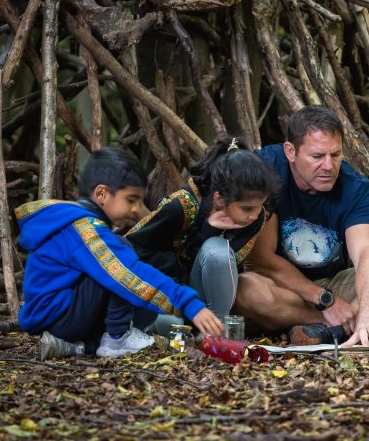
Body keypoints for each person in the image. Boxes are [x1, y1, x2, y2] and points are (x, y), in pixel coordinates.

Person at [234, 106, 369, 347]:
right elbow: (260, 261)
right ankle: (335, 323)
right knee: (245, 291)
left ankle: (355, 320)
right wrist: (325, 301)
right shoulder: (267, 172)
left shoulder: (354, 187)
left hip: (336, 284)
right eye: (317, 157)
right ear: (291, 151)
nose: (329, 166)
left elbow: (367, 254)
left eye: (335, 155)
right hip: (282, 289)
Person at [16, 148, 224, 361]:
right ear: (102, 194)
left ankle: (78, 346)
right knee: (120, 258)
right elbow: (127, 271)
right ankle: (117, 339)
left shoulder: (76, 223)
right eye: (131, 200)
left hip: (59, 316)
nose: (136, 209)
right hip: (57, 318)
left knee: (139, 298)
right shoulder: (84, 230)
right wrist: (188, 303)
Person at [126, 137, 277, 330]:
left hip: (206, 303)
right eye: (247, 208)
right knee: (169, 326)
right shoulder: (180, 206)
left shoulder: (255, 219)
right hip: (165, 298)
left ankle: (215, 331)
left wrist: (207, 238)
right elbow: (130, 252)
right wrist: (205, 232)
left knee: (218, 251)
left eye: (260, 206)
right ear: (219, 199)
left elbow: (225, 273)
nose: (255, 215)